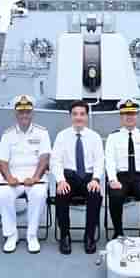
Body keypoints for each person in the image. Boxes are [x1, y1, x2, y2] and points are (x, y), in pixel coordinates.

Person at [0, 95, 51, 254]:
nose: (24, 115)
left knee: (39, 194)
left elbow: (44, 157)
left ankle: (31, 235)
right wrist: (9, 177)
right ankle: (11, 235)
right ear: (16, 113)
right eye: (21, 112)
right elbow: (2, 160)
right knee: (3, 195)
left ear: (32, 113)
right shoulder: (8, 134)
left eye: (27, 112)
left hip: (35, 177)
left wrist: (35, 177)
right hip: (13, 178)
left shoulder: (42, 133)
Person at [51, 100, 104, 254]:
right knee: (61, 194)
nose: (78, 117)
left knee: (95, 194)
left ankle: (89, 236)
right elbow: (56, 161)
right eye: (75, 114)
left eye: (82, 114)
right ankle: (65, 235)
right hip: (68, 176)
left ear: (87, 116)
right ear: (70, 116)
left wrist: (96, 179)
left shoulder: (95, 137)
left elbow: (100, 160)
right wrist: (60, 180)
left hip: (88, 177)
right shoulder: (62, 136)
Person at [105, 98, 140, 238]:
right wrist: (112, 180)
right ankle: (118, 231)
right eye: (126, 114)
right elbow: (109, 161)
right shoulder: (113, 137)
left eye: (132, 114)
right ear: (121, 116)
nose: (129, 117)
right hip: (121, 176)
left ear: (137, 116)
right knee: (115, 196)